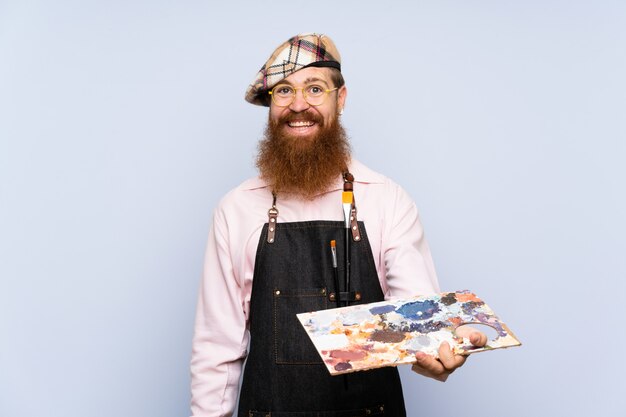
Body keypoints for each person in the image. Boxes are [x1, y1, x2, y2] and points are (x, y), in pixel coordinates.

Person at [190, 33, 486, 417]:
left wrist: (443, 345)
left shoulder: (386, 199)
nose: (299, 106)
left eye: (315, 89)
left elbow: (418, 311)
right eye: (284, 91)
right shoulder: (237, 208)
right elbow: (218, 347)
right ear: (270, 105)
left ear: (340, 99)